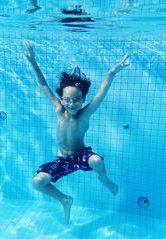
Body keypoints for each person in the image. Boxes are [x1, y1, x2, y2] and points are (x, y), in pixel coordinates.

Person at [25, 41, 129, 225]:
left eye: (76, 100)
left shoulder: (85, 114)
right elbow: (43, 85)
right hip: (63, 160)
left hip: (81, 155)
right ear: (62, 99)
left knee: (96, 160)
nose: (71, 104)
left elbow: (100, 94)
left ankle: (104, 179)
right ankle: (64, 199)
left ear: (83, 100)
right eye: (67, 100)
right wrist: (33, 62)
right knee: (37, 182)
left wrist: (111, 73)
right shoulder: (58, 109)